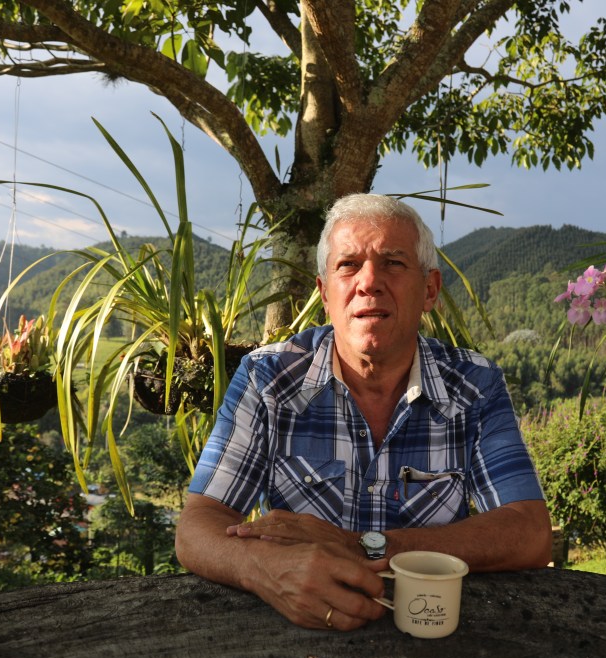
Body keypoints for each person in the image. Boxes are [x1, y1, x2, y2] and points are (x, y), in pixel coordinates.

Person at [175, 193, 552, 631]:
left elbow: (529, 533)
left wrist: (359, 545)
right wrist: (263, 568)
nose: (368, 281)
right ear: (324, 293)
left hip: (432, 637)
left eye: (393, 263)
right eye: (348, 264)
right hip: (298, 638)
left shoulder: (474, 385)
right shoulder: (268, 378)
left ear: (429, 290)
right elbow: (197, 528)